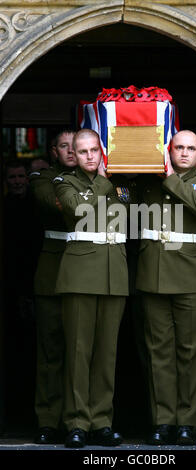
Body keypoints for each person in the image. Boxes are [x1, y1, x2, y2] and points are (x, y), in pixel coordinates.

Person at [136, 130, 196, 446]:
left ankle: (187, 422)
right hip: (154, 276)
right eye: (178, 147)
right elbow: (120, 201)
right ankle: (163, 421)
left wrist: (170, 177)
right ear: (168, 150)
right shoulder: (147, 182)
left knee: (189, 354)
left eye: (191, 148)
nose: (184, 152)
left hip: (190, 278)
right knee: (158, 354)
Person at [53, 129, 129, 448]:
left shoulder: (118, 182)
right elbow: (76, 209)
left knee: (105, 355)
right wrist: (103, 180)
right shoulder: (64, 182)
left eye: (94, 150)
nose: (88, 156)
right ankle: (76, 422)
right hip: (81, 274)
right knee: (79, 352)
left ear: (102, 151)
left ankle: (101, 421)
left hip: (113, 275)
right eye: (82, 151)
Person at [29, 130, 77, 444]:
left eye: (77, 145)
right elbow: (58, 204)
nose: (72, 151)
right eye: (64, 146)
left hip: (85, 275)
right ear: (54, 151)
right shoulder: (43, 178)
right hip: (52, 275)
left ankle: (77, 422)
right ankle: (48, 420)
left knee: (81, 354)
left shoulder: (94, 178)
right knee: (51, 353)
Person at [3, 160, 43, 430]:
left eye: (21, 176)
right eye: (12, 177)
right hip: (7, 290)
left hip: (34, 287)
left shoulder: (37, 209)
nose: (17, 181)